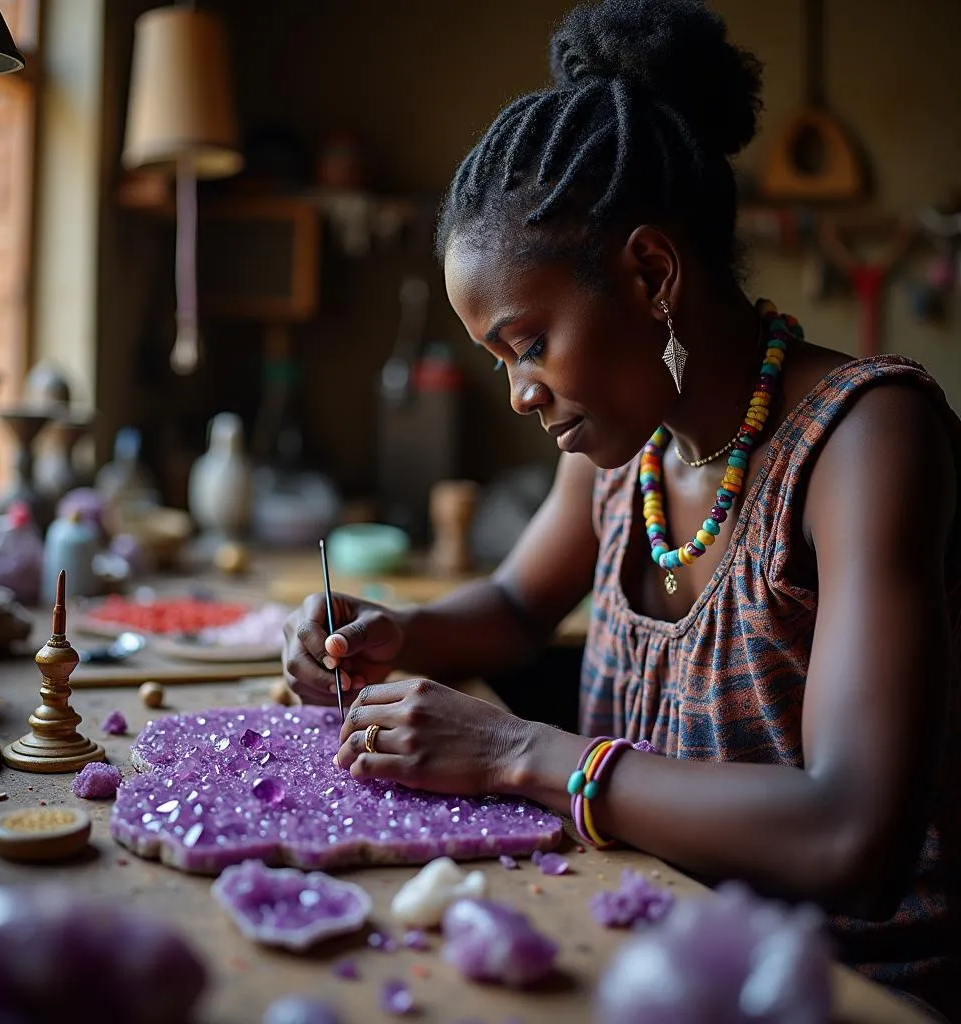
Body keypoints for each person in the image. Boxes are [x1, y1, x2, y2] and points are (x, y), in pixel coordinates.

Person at [282, 1, 959, 1017]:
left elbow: (848, 835)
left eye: (526, 343)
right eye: (497, 358)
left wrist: (519, 752)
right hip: (650, 952)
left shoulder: (865, 438)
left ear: (650, 274)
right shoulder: (621, 447)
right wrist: (401, 629)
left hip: (842, 990)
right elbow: (517, 604)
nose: (517, 390)